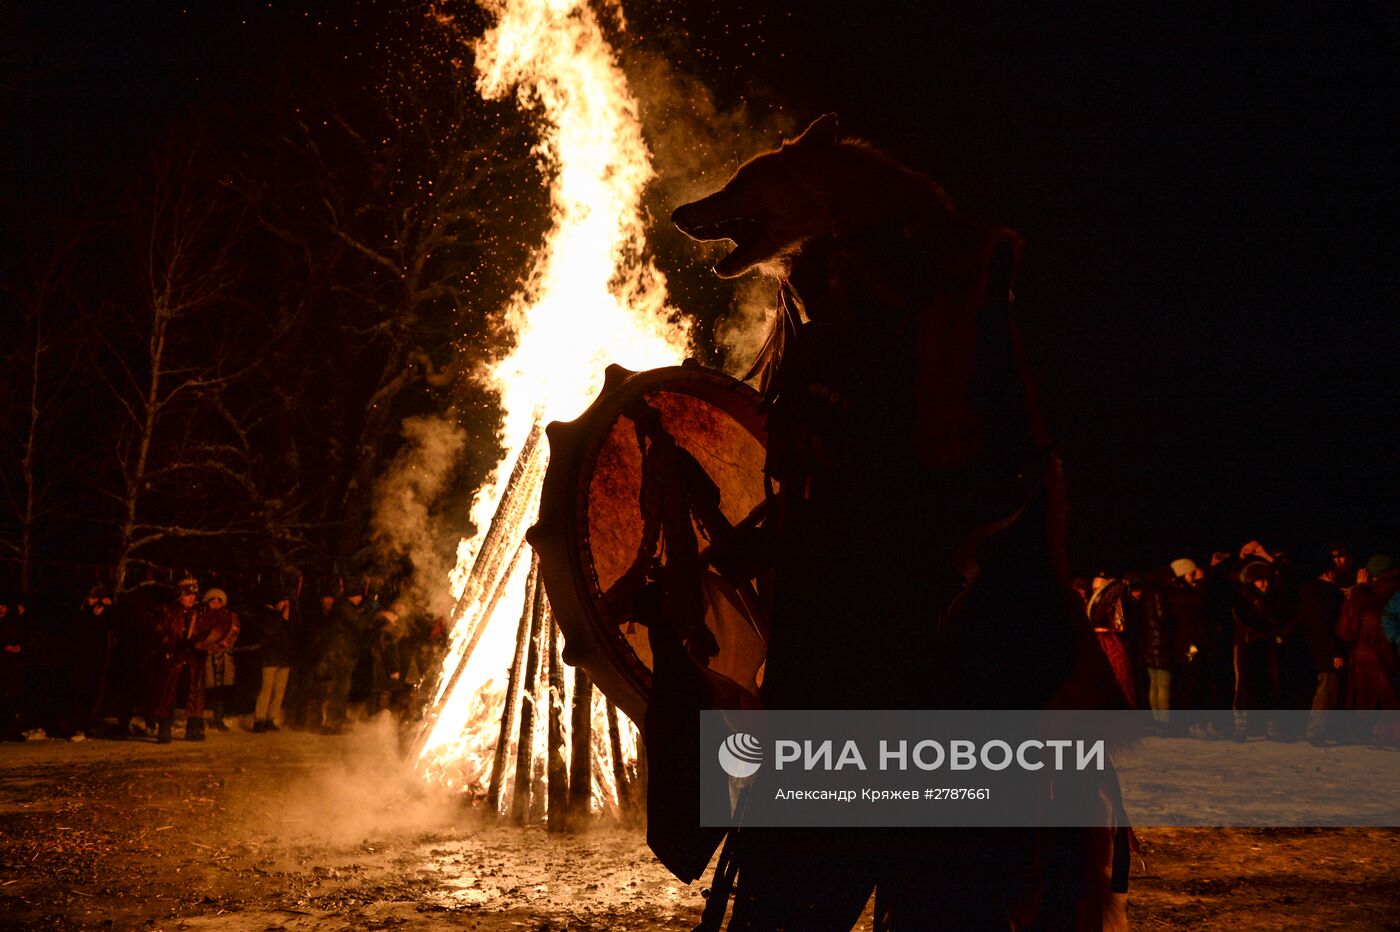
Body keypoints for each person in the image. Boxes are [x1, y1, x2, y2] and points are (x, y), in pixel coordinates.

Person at [151, 577, 238, 743]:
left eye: (194, 595)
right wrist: (173, 643)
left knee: (196, 692)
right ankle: (164, 728)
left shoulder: (199, 613)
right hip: (173, 656)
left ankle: (193, 729)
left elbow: (211, 631)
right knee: (168, 692)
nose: (192, 598)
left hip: (194, 657)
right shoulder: (167, 611)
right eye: (188, 594)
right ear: (179, 595)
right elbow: (159, 633)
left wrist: (203, 642)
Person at [1338, 555, 1400, 746]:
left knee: (1384, 697)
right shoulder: (1384, 588)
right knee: (1384, 697)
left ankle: (1387, 737)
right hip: (1378, 650)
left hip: (1376, 650)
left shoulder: (1382, 589)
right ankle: (1385, 736)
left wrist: (1359, 587)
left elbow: (1365, 604)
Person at [1292, 559, 1346, 745]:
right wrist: (1335, 652)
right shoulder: (1329, 593)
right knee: (1327, 690)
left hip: (1309, 647)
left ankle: (1314, 729)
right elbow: (1328, 625)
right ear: (1329, 573)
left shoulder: (1306, 590)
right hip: (1325, 649)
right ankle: (1316, 732)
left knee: (1319, 689)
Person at [315, 591, 367, 734]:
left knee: (342, 689)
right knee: (336, 689)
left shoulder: (344, 608)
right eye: (359, 596)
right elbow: (360, 624)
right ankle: (330, 722)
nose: (360, 599)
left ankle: (338, 719)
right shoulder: (344, 607)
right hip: (339, 654)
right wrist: (371, 612)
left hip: (344, 653)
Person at [252, 594, 296, 732]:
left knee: (279, 691)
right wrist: (281, 618)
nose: (285, 605)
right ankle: (259, 719)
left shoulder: (286, 617)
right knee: (266, 689)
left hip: (284, 658)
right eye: (283, 602)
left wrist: (287, 620)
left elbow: (292, 635)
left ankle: (271, 718)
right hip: (270, 659)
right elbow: (269, 633)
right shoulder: (268, 616)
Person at [200, 589, 240, 732]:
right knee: (203, 689)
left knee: (220, 691)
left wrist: (222, 646)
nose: (216, 603)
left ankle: (218, 718)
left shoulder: (229, 617)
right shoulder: (202, 616)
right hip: (206, 657)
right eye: (213, 600)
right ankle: (198, 718)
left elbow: (233, 633)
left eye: (219, 600)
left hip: (223, 657)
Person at [0, 594, 25, 741]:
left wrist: (19, 647)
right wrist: (4, 648)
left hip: (11, 666)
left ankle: (11, 730)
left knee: (12, 698)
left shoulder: (12, 623)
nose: (1, 610)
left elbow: (22, 637)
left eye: (3, 607)